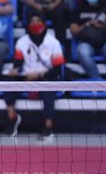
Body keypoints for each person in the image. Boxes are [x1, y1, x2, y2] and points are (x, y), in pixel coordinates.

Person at [5, 12, 64, 141]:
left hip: (46, 77)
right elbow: (18, 64)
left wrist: (39, 74)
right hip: (26, 77)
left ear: (44, 23)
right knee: (8, 81)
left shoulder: (53, 42)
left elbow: (57, 70)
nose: (35, 24)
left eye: (38, 21)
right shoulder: (22, 41)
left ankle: (48, 126)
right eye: (32, 21)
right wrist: (14, 70)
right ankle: (13, 118)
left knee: (50, 85)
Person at [71, 0, 106, 79]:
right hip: (86, 41)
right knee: (82, 52)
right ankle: (98, 82)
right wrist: (88, 24)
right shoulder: (78, 9)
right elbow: (74, 31)